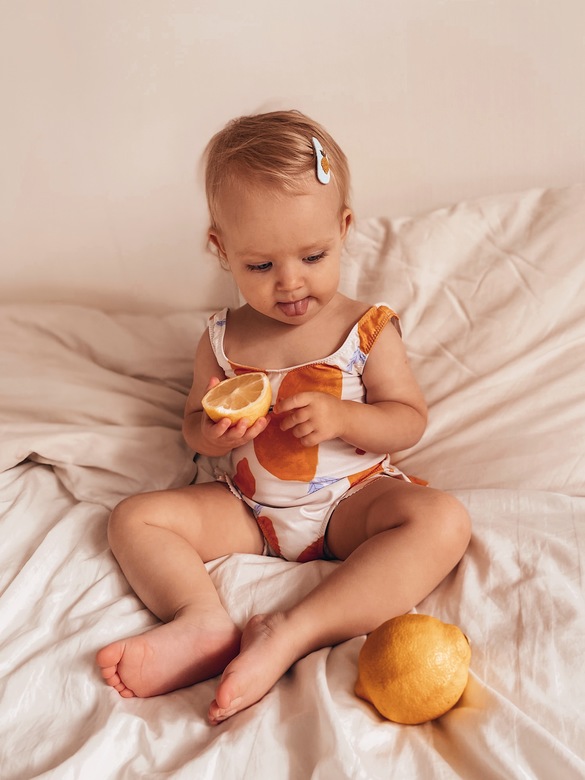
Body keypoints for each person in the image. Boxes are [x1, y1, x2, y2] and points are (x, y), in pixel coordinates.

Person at [96, 110, 471, 725]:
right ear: (222, 250)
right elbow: (192, 424)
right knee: (134, 518)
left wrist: (345, 418)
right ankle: (200, 620)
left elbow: (408, 420)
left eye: (313, 255)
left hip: (351, 500)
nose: (291, 283)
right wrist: (211, 432)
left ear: (343, 229)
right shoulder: (221, 338)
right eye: (261, 266)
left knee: (443, 520)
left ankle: (294, 630)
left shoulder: (365, 330)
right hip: (250, 509)